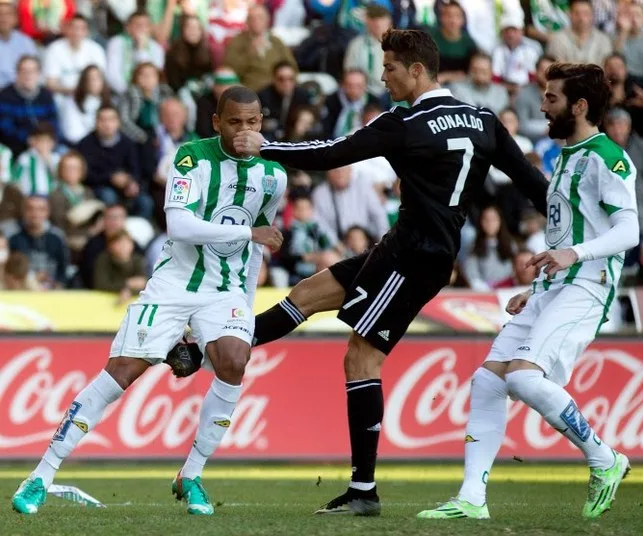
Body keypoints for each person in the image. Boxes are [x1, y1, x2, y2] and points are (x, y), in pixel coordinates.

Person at [169, 27, 549, 515]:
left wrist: (266, 146)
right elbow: (531, 183)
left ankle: (363, 491)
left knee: (360, 360)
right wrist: (569, 241)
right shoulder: (483, 119)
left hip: (413, 255)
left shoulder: (407, 122)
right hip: (414, 249)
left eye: (389, 67)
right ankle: (200, 352)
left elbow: (332, 153)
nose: (383, 76)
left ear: (416, 70)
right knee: (307, 294)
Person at [11, 85, 286, 516]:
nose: (244, 131)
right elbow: (179, 225)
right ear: (217, 122)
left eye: (253, 123)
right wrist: (248, 233)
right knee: (121, 372)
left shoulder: (274, 175)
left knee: (234, 359)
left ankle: (192, 474)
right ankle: (40, 476)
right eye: (235, 122)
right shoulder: (191, 157)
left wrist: (244, 310)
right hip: (174, 283)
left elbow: (258, 250)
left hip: (226, 290)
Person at [418, 62, 638, 520]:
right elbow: (567, 234)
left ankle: (605, 458)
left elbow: (628, 231)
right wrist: (536, 285)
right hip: (554, 286)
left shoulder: (607, 157)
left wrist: (573, 256)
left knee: (522, 376)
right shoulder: (566, 157)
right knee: (487, 380)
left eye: (552, 98)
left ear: (579, 106)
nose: (542, 106)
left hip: (588, 286)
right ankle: (471, 500)